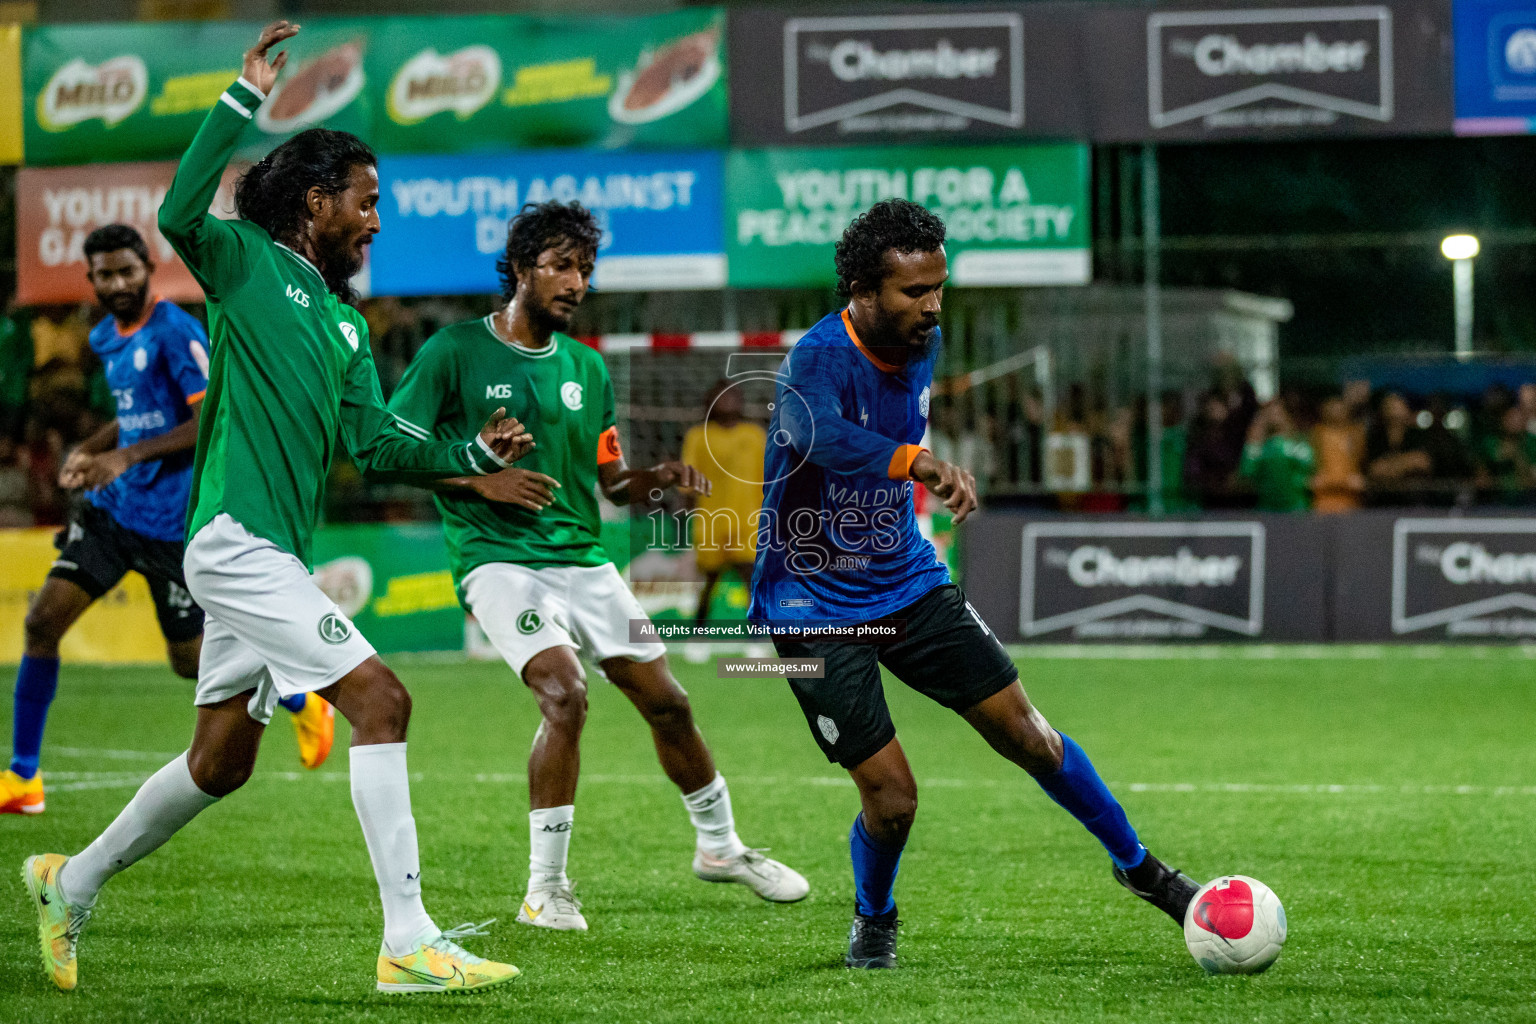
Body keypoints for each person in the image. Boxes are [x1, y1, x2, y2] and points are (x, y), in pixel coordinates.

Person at [22, 22, 532, 994]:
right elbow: (178, 208)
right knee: (383, 700)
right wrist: (242, 98)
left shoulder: (343, 323)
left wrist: (469, 456)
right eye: (367, 202)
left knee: (219, 762)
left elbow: (373, 441)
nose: (377, 221)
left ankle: (67, 878)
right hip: (233, 542)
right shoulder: (245, 261)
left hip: (275, 562)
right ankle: (408, 939)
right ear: (315, 202)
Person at [751, 199, 1201, 970]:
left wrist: (910, 473)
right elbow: (818, 436)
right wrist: (916, 461)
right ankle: (875, 915)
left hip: (905, 577)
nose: (931, 306)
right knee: (893, 802)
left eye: (938, 287)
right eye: (911, 292)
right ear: (860, 289)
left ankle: (1143, 869)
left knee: (1030, 734)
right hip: (809, 603)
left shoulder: (922, 336)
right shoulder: (815, 359)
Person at [388, 200, 808, 934]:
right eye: (559, 265)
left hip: (582, 559)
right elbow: (388, 453)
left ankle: (721, 847)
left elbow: (611, 482)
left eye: (584, 268)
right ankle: (544, 890)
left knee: (669, 703)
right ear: (519, 269)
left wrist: (660, 476)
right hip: (498, 561)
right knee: (565, 692)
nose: (576, 282)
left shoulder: (586, 368)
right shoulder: (452, 352)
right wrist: (479, 476)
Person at [1, 226, 337, 819]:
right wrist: (93, 449)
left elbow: (206, 420)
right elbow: (133, 418)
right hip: (115, 515)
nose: (117, 283)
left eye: (127, 271)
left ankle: (300, 699)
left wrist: (124, 457)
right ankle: (23, 777)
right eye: (105, 275)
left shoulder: (177, 333)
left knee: (190, 662)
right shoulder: (106, 336)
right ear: (92, 281)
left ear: (148, 267)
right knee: (42, 622)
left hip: (175, 526)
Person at [681, 379, 768, 635]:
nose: (729, 401)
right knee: (709, 581)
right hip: (710, 521)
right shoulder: (698, 436)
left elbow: (767, 479)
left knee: (750, 579)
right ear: (711, 402)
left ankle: (757, 637)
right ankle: (698, 635)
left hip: (748, 521)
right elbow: (688, 483)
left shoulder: (754, 435)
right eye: (722, 397)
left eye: (734, 396)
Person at [1237, 398, 1314, 512]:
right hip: (1267, 509)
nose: (1274, 418)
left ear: (1286, 415)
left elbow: (1310, 468)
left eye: (1278, 413)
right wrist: (1254, 443)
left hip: (1296, 508)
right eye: (1269, 414)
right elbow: (1247, 471)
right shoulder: (1259, 446)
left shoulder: (1298, 442)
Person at [1309, 394, 1366, 514]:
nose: (1336, 412)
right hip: (1323, 495)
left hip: (1349, 494)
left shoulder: (1356, 433)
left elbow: (1361, 458)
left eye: (1339, 408)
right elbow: (1312, 459)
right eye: (1332, 408)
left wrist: (1358, 477)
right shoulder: (1317, 433)